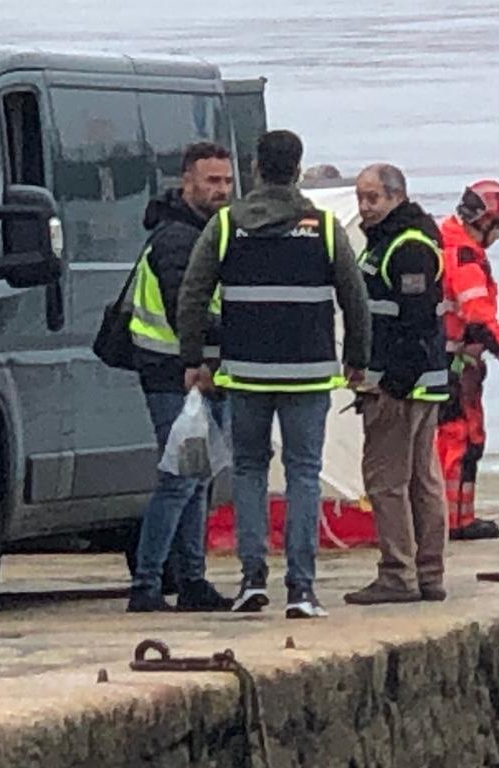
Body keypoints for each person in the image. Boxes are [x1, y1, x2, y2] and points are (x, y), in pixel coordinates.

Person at [175, 130, 371, 618]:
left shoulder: (225, 226)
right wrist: (359, 361)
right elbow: (356, 300)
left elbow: (193, 294)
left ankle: (251, 580)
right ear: (297, 167)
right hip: (308, 373)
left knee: (249, 469)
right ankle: (301, 590)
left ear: (256, 169)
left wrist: (193, 359)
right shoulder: (323, 228)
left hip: (245, 374)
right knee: (304, 474)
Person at [126, 141, 236, 613]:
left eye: (228, 182)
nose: (221, 190)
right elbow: (183, 310)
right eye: (212, 181)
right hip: (175, 374)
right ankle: (148, 584)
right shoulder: (177, 239)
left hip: (199, 372)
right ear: (186, 181)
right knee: (179, 480)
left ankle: (191, 579)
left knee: (197, 478)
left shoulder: (206, 233)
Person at [344, 164, 449, 605]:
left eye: (373, 198)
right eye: (360, 198)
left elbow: (417, 322)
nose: (365, 207)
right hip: (418, 383)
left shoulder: (407, 248)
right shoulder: (395, 241)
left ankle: (399, 574)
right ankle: (427, 574)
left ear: (397, 197)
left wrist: (393, 383)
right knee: (422, 480)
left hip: (401, 385)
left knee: (388, 481)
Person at [436, 180, 499, 541]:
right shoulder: (464, 255)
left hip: (454, 360)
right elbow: (479, 317)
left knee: (467, 441)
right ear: (486, 221)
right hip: (452, 363)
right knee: (456, 441)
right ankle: (448, 520)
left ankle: (458, 518)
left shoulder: (446, 240)